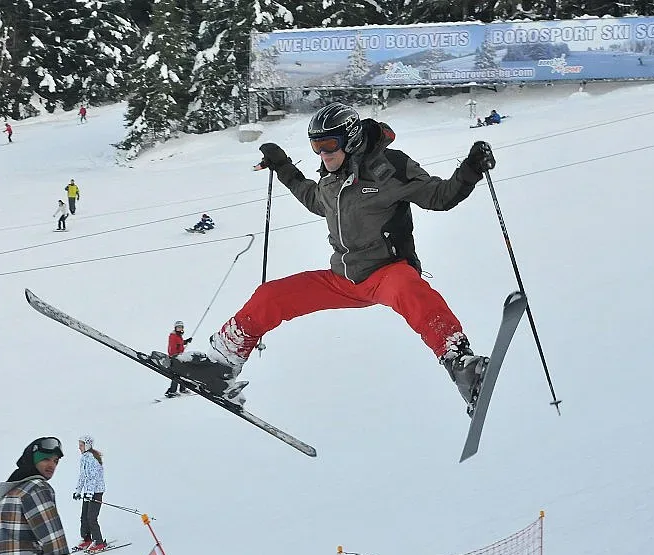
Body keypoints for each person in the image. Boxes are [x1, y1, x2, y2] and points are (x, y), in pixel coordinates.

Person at [165, 102, 496, 416]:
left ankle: (461, 364)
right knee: (270, 296)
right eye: (316, 147)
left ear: (350, 139)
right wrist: (283, 167)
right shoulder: (330, 179)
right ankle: (221, 363)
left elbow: (439, 197)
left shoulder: (390, 168)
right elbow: (313, 198)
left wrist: (469, 171)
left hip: (386, 272)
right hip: (342, 280)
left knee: (409, 288)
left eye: (328, 145)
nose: (323, 154)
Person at [0, 438, 80, 555]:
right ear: (32, 459)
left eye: (56, 461)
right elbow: (54, 546)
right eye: (46, 459)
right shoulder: (36, 488)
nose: (52, 465)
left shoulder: (2, 499)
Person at [71, 435, 105, 553]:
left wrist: (90, 493)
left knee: (91, 518)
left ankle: (98, 542)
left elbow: (93, 478)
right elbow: (83, 476)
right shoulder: (84, 458)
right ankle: (87, 539)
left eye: (81, 445)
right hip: (88, 492)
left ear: (87, 445)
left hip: (96, 492)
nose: (79, 447)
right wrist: (78, 491)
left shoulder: (92, 459)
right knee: (84, 517)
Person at [164, 321, 193, 398]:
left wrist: (186, 341)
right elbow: (172, 347)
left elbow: (179, 343)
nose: (180, 328)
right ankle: (172, 391)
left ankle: (182, 389)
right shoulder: (173, 336)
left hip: (179, 357)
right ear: (175, 328)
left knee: (182, 372)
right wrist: (176, 355)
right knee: (177, 374)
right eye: (178, 327)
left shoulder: (178, 336)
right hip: (175, 357)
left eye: (181, 327)